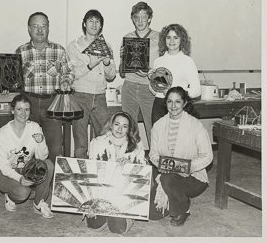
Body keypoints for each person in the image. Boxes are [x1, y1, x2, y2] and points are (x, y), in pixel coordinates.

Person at [15, 12, 74, 165]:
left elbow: (69, 72)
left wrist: (66, 81)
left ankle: (52, 183)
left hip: (52, 103)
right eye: (35, 26)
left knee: (54, 147)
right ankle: (27, 183)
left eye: (43, 26)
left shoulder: (59, 50)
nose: (40, 30)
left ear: (48, 28)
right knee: (25, 146)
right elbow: (13, 79)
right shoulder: (20, 52)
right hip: (28, 104)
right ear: (29, 29)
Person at [149, 86, 213, 226]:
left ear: (184, 103)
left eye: (177, 102)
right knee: (152, 214)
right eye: (170, 101)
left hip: (193, 178)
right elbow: (153, 154)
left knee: (167, 178)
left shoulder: (196, 126)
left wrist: (187, 167)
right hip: (168, 174)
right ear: (165, 103)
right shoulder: (158, 125)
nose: (173, 106)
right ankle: (176, 196)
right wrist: (161, 165)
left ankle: (184, 208)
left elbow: (207, 156)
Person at [86, 111, 148, 234]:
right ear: (111, 125)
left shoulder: (137, 144)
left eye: (124, 126)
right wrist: (91, 202)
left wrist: (130, 165)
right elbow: (91, 174)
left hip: (125, 194)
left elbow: (143, 174)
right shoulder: (97, 143)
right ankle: (107, 212)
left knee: (118, 228)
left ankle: (127, 215)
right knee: (94, 225)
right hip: (102, 193)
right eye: (117, 124)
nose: (120, 129)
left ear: (129, 129)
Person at [0, 94, 54, 218]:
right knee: (23, 193)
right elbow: (3, 166)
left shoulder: (34, 127)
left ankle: (39, 203)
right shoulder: (2, 133)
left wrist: (41, 141)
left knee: (48, 165)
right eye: (19, 109)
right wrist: (19, 178)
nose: (23, 113)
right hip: (6, 173)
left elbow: (42, 158)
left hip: (27, 169)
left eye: (26, 109)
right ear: (12, 110)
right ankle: (10, 196)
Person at [67, 9, 116, 158]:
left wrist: (107, 63)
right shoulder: (74, 45)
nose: (94, 24)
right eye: (91, 21)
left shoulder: (106, 45)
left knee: (104, 136)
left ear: (101, 25)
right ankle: (81, 174)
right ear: (84, 23)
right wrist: (90, 65)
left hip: (100, 96)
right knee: (80, 140)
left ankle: (101, 172)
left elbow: (111, 76)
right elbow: (71, 73)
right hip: (79, 96)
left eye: (97, 21)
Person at [119, 1, 159, 145]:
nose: (140, 21)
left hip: (149, 88)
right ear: (133, 19)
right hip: (129, 86)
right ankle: (130, 159)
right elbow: (122, 73)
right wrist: (123, 59)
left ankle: (155, 162)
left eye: (144, 17)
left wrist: (149, 71)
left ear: (149, 18)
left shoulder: (159, 38)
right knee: (128, 127)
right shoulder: (127, 38)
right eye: (137, 17)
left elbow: (164, 70)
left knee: (153, 127)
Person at [148, 24, 201, 125]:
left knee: (177, 139)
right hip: (159, 106)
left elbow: (197, 90)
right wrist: (152, 81)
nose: (171, 41)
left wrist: (176, 94)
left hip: (177, 107)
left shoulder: (187, 61)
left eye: (175, 37)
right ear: (164, 40)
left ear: (182, 40)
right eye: (168, 37)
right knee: (158, 139)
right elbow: (154, 92)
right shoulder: (158, 61)